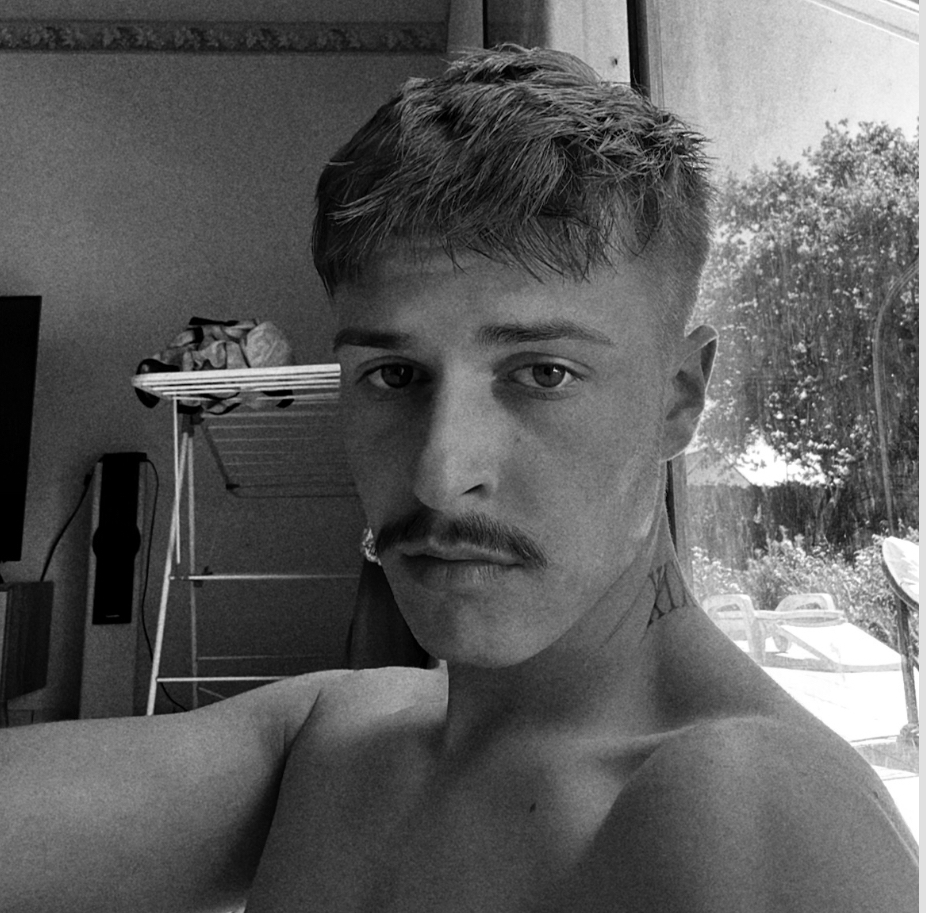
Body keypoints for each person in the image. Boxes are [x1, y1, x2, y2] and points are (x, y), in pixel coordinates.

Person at [0, 46, 916, 913]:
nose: (440, 475)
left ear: (678, 397)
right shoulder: (332, 737)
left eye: (542, 373)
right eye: (393, 375)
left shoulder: (755, 818)